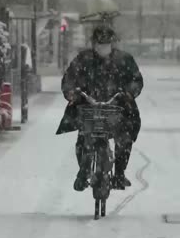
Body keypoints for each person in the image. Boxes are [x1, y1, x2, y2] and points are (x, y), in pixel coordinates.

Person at [56, 25, 143, 192]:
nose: (103, 48)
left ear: (112, 44)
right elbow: (69, 78)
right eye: (99, 44)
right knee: (83, 138)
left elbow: (136, 79)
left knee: (125, 138)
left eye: (106, 44)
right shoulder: (83, 59)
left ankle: (119, 173)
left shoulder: (124, 59)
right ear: (93, 44)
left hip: (117, 108)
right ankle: (83, 171)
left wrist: (128, 93)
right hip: (87, 108)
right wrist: (72, 93)